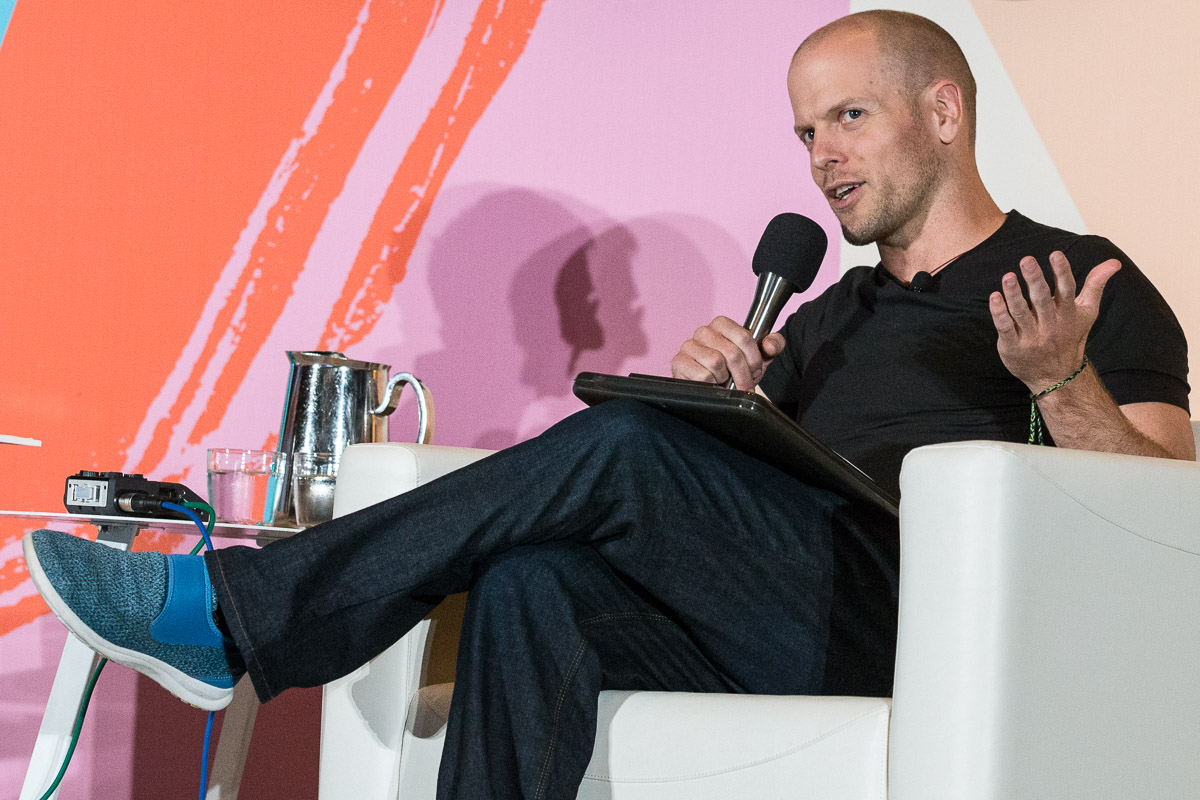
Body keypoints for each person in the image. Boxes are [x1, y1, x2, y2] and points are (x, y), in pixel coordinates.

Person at [23, 10, 1192, 800]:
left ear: (942, 112)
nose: (822, 156)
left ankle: (234, 613)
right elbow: (748, 507)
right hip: (785, 613)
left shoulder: (1077, 280)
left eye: (849, 118)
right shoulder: (822, 321)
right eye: (804, 131)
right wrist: (716, 413)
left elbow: (1162, 512)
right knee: (536, 589)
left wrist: (1060, 381)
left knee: (626, 446)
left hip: (933, 621)